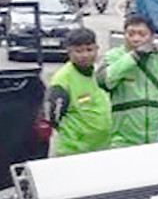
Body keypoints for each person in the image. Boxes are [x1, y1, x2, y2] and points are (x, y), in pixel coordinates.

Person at [97, 14, 158, 147]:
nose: (136, 39)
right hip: (124, 139)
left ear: (152, 36)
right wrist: (133, 57)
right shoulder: (113, 57)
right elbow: (105, 81)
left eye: (142, 34)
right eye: (130, 34)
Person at [46, 28, 111, 156]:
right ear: (69, 52)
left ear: (97, 49)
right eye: (79, 51)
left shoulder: (101, 73)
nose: (85, 55)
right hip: (74, 152)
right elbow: (52, 118)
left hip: (104, 149)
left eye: (89, 50)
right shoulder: (62, 80)